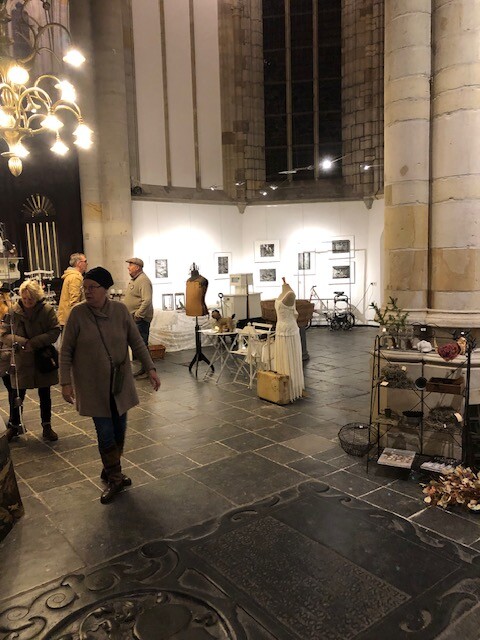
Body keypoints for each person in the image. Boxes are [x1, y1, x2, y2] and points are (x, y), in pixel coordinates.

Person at [60, 266, 161, 504]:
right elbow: (65, 351)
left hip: (119, 384)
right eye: (85, 288)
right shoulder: (77, 314)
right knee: (105, 432)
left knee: (119, 431)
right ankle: (115, 477)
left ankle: (110, 467)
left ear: (105, 289)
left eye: (92, 287)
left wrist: (151, 368)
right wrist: (65, 382)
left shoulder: (120, 311)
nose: (87, 292)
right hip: (92, 385)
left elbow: (136, 341)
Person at [2, 279, 61, 441]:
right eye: (25, 298)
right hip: (21, 359)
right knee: (17, 393)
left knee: (45, 393)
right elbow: (4, 333)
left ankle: (47, 425)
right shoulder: (13, 311)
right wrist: (22, 342)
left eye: (31, 299)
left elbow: (55, 331)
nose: (27, 302)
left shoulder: (47, 311)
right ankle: (14, 425)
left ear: (37, 297)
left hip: (42, 358)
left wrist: (33, 343)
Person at [274, 277, 305, 402]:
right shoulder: (282, 293)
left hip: (289, 331)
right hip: (280, 330)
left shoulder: (290, 294)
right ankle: (282, 387)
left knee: (290, 356)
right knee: (283, 356)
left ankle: (292, 387)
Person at [123, 257, 153, 377]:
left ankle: (149, 370)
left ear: (137, 267)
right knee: (138, 345)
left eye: (130, 265)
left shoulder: (143, 280)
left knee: (142, 345)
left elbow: (147, 300)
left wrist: (139, 314)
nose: (128, 267)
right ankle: (144, 368)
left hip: (140, 319)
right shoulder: (135, 280)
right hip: (133, 318)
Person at [57, 253, 88, 328]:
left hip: (67, 318)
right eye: (85, 261)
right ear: (79, 263)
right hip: (71, 320)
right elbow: (74, 301)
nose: (87, 264)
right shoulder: (75, 277)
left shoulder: (71, 276)